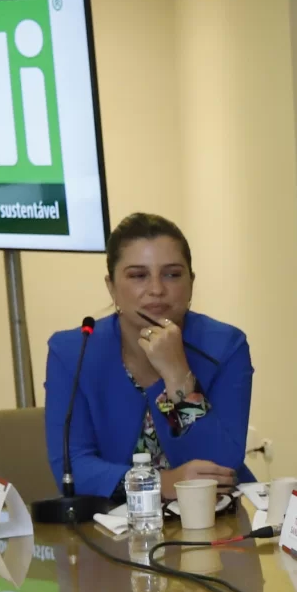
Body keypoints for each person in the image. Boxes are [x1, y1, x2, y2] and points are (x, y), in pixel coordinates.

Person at [45, 213, 253, 501]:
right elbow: (72, 468)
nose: (156, 290)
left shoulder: (226, 346)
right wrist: (160, 484)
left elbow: (221, 468)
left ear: (191, 283)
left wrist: (177, 375)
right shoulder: (73, 351)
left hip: (217, 514)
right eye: (138, 276)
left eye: (172, 274)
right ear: (111, 286)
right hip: (113, 520)